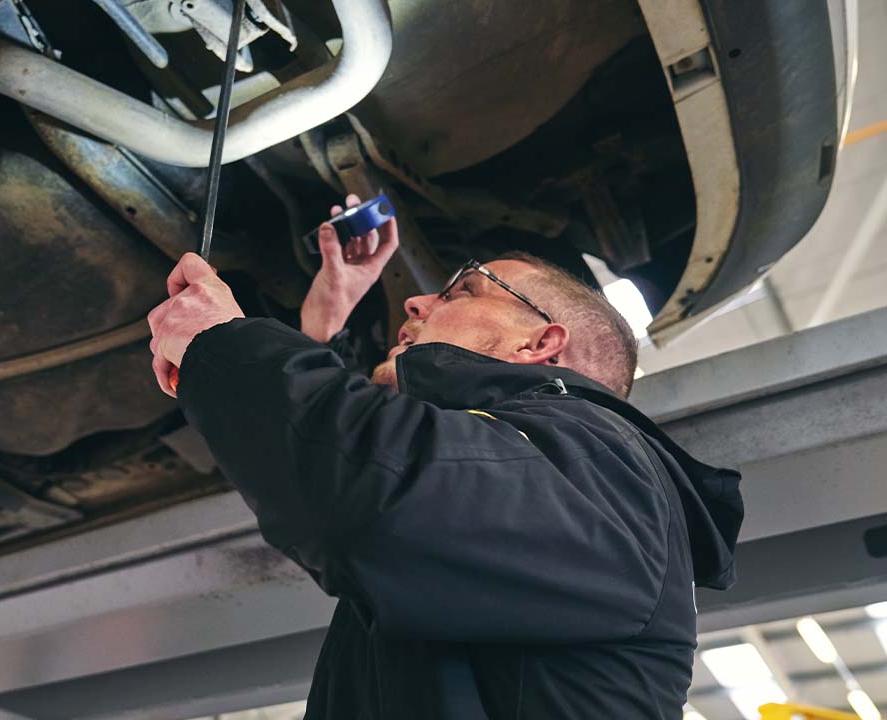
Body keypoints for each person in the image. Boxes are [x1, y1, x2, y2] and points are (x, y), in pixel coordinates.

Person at [147, 195, 744, 719]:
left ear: (538, 343)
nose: (414, 301)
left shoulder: (608, 461)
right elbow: (379, 463)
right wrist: (318, 330)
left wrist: (220, 343)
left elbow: (373, 490)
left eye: (463, 290)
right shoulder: (563, 474)